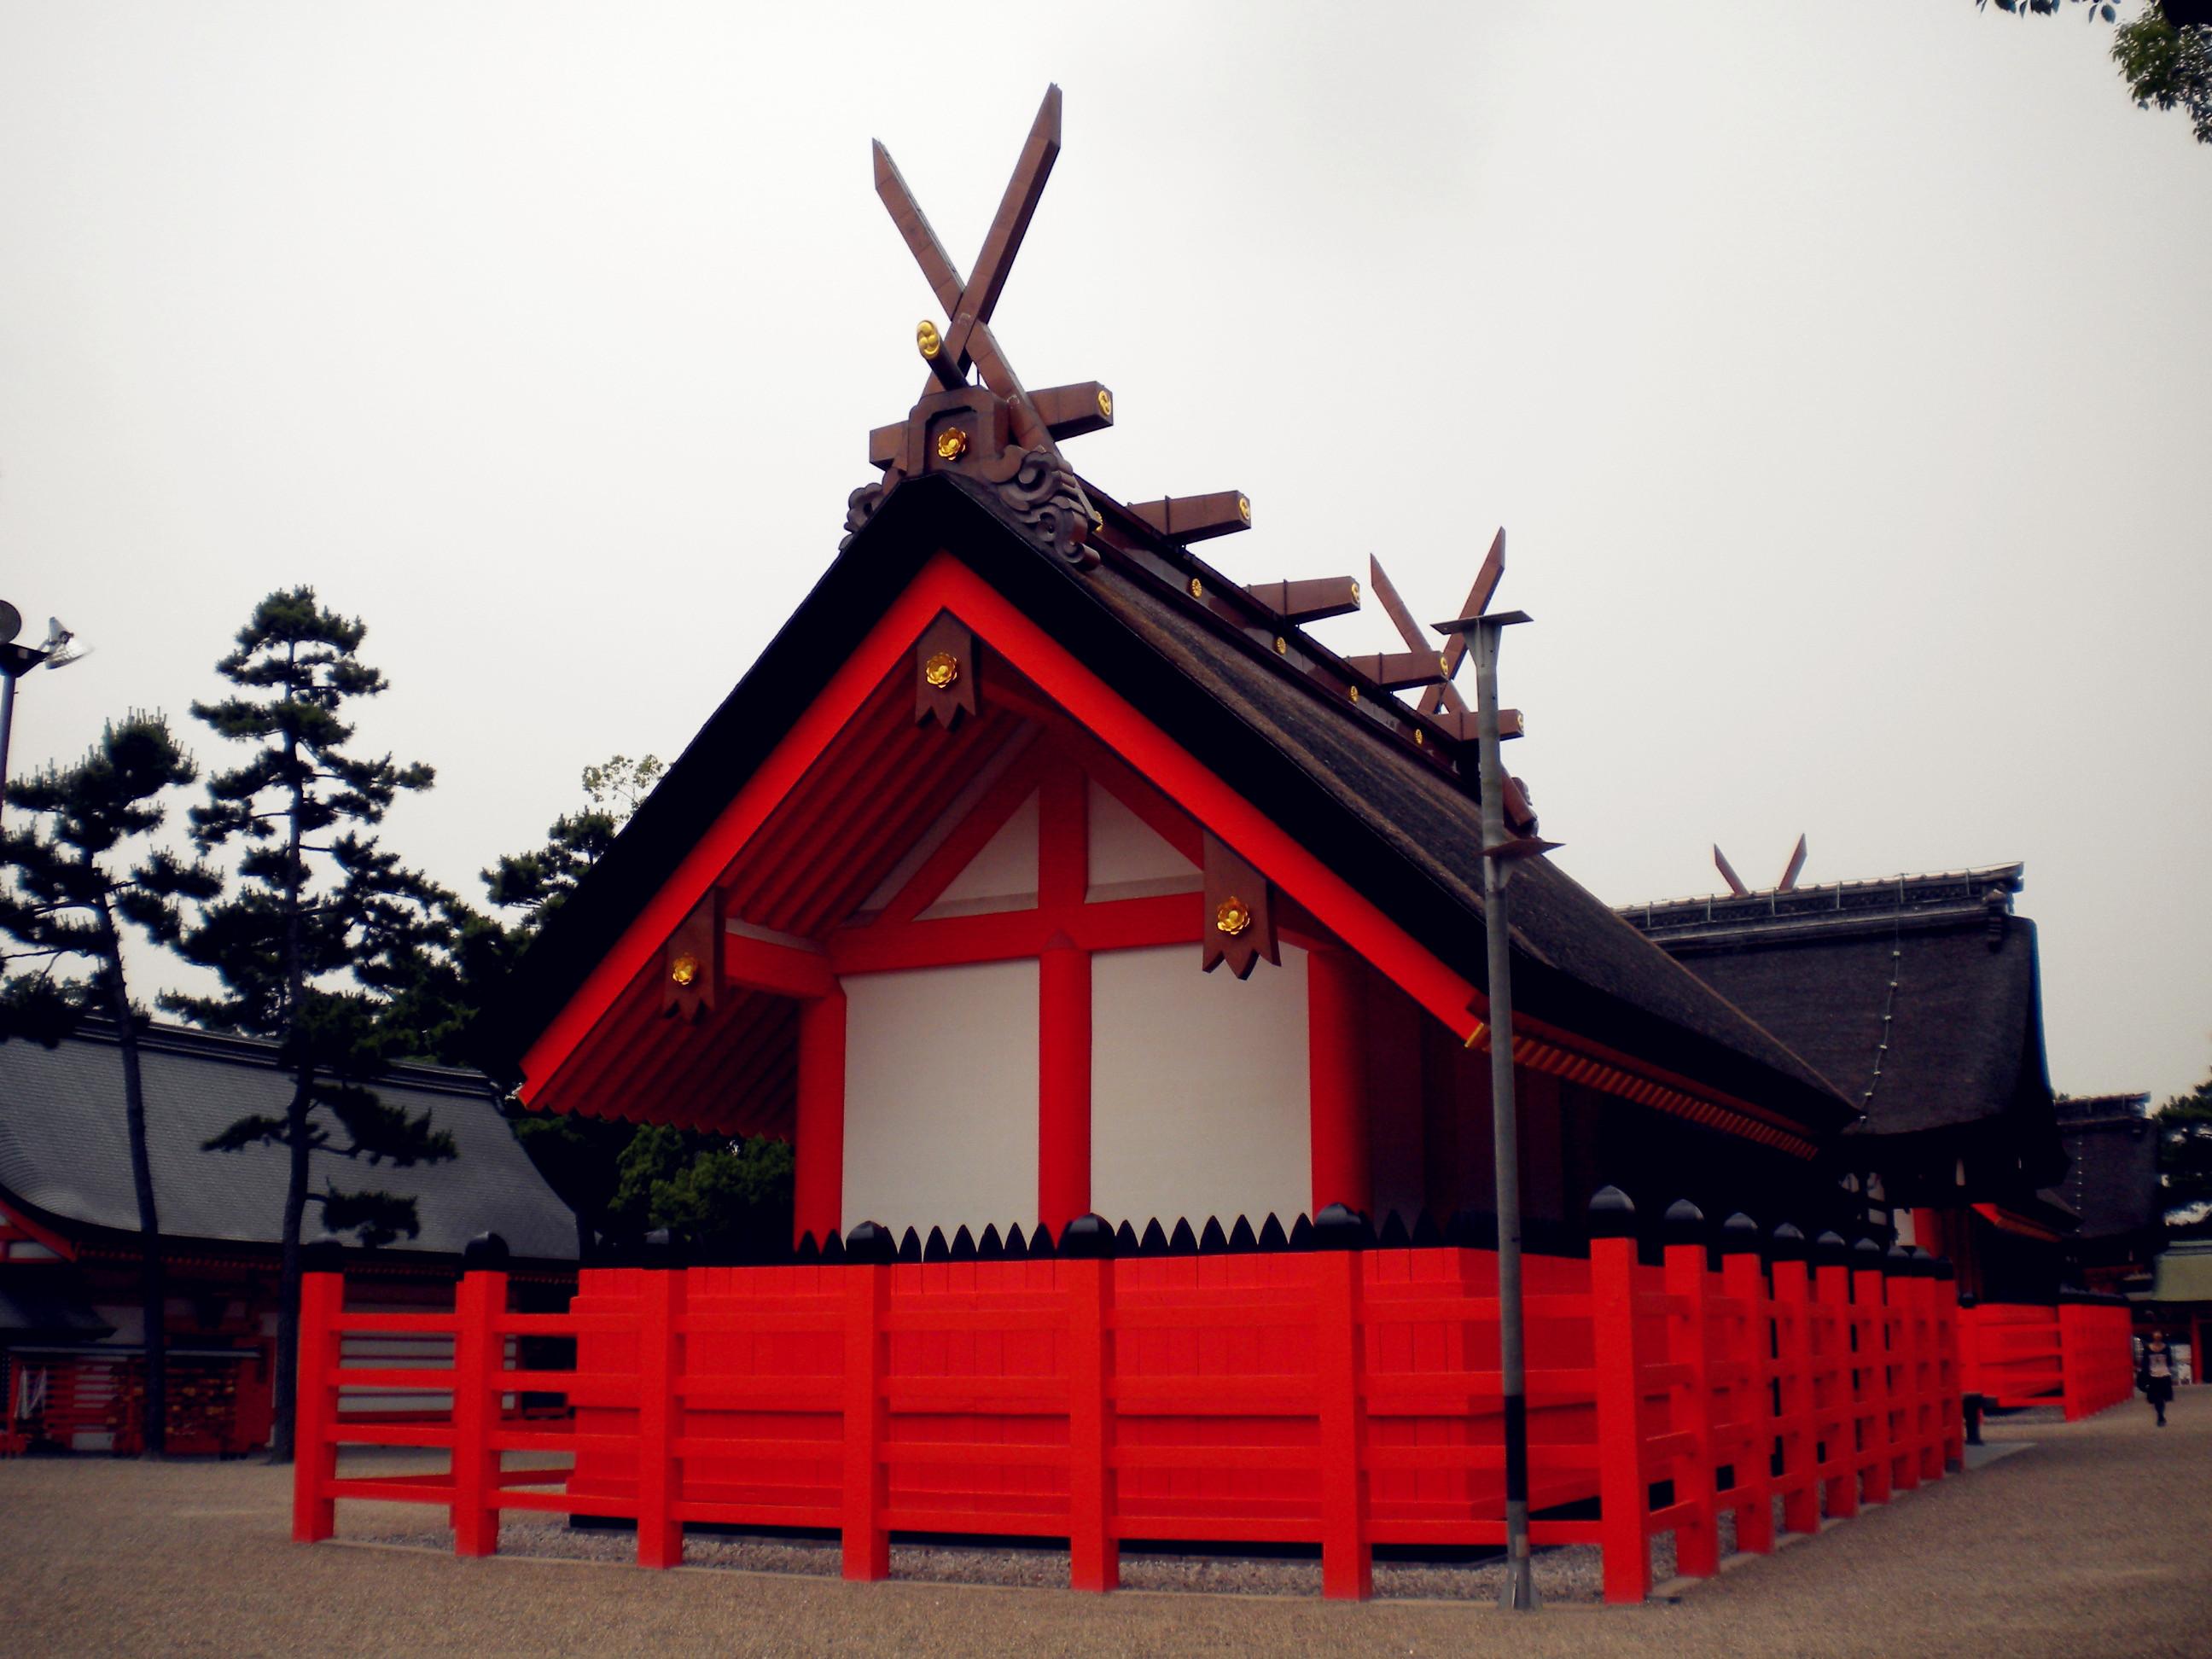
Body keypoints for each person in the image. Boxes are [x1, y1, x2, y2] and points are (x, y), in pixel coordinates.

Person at [2139, 1332, 2176, 1428]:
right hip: (2154, 1375)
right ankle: (2160, 1416)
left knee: (2161, 1397)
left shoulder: (2153, 1348)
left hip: (2163, 1374)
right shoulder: (2163, 1348)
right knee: (2157, 1397)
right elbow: (2170, 1362)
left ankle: (2160, 1416)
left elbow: (2145, 1362)